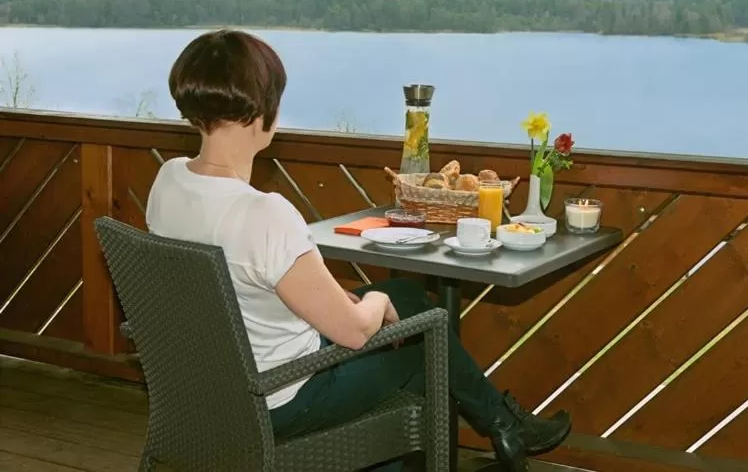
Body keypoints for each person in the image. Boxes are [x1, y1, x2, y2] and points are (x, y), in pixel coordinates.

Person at [145, 29, 570, 471]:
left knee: (408, 298)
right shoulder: (263, 214)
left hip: (203, 390)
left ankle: (504, 426)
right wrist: (374, 299)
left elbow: (243, 285)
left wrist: (364, 299)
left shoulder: (170, 180)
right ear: (262, 111)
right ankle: (500, 427)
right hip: (278, 398)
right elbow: (352, 333)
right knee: (427, 338)